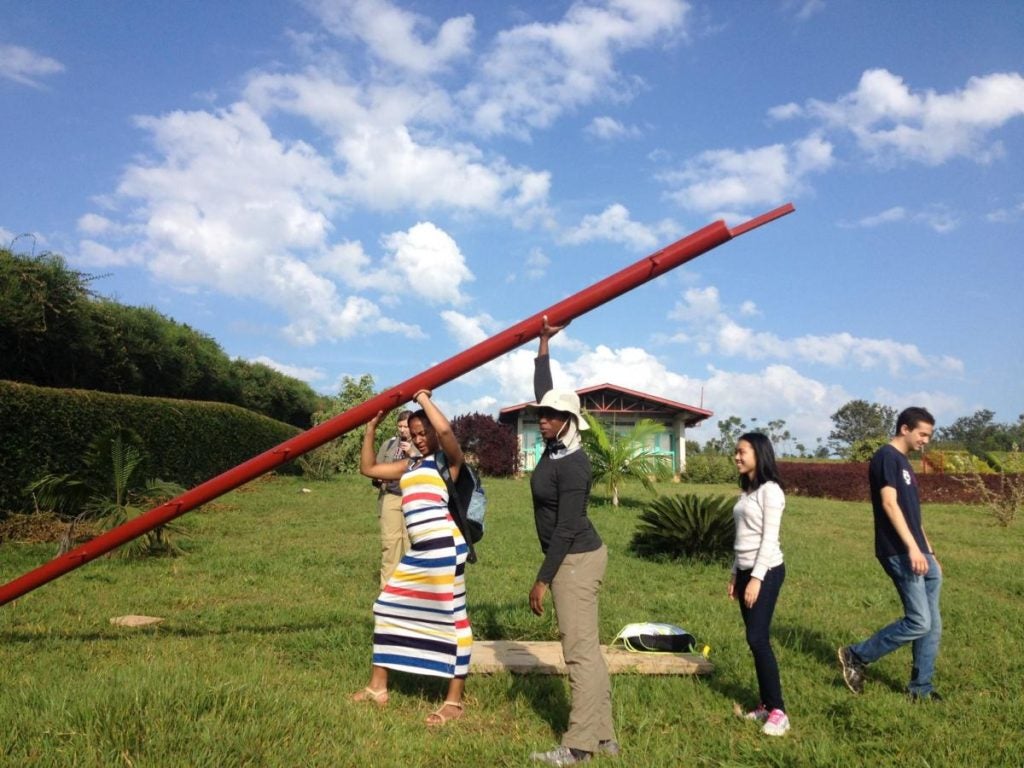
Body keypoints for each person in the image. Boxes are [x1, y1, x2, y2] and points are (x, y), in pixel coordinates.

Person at [527, 317, 619, 766]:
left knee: (578, 653)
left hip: (576, 559)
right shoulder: (555, 446)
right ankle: (604, 736)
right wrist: (543, 345)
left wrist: (542, 580)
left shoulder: (574, 465)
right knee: (588, 647)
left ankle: (578, 745)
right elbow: (545, 387)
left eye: (550, 416)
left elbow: (566, 528)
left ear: (568, 422)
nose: (541, 420)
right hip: (575, 556)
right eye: (541, 415)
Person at [354, 389, 472, 726]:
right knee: (387, 606)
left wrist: (422, 398)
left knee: (453, 619)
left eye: (424, 433)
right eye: (415, 433)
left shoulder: (447, 463)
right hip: (420, 553)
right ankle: (378, 689)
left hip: (445, 551)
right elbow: (368, 468)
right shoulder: (410, 466)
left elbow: (447, 433)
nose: (420, 439)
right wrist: (370, 429)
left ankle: (453, 702)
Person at [838, 406, 942, 702]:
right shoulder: (886, 457)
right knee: (919, 621)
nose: (926, 440)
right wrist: (912, 548)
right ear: (905, 429)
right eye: (923, 434)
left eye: (929, 435)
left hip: (921, 553)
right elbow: (889, 504)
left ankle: (921, 689)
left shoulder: (905, 464)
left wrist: (930, 552)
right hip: (899, 551)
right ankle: (855, 655)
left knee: (932, 625)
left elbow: (913, 516)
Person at [728, 432, 790, 737]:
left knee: (758, 638)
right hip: (745, 571)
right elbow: (741, 539)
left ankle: (779, 710)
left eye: (742, 452)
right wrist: (735, 575)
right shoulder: (747, 491)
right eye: (736, 452)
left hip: (766, 571)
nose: (737, 457)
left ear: (759, 454)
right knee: (754, 640)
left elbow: (769, 539)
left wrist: (755, 578)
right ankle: (765, 704)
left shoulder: (770, 491)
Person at [373, 409, 416, 589]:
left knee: (411, 543)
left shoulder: (422, 445)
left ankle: (412, 586)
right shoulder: (389, 444)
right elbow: (376, 469)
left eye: (406, 426)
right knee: (390, 543)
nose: (403, 430)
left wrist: (412, 453)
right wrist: (379, 477)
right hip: (390, 496)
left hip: (412, 498)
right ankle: (387, 588)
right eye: (400, 426)